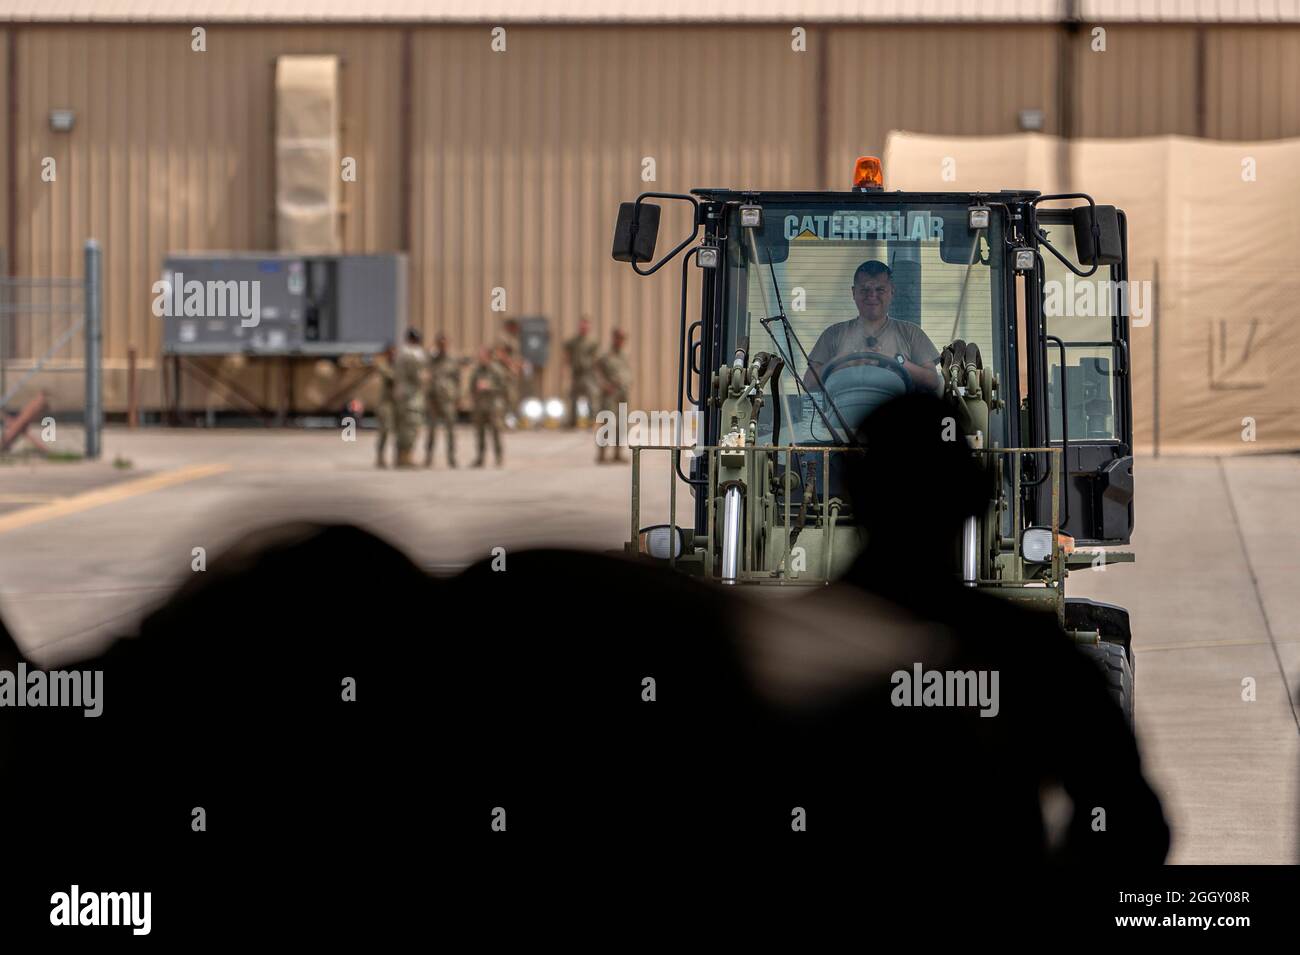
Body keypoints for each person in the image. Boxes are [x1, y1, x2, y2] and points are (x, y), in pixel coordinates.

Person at [802, 260, 941, 394]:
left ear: (892, 291)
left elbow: (932, 381)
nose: (872, 295)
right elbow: (808, 383)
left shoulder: (911, 333)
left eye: (880, 290)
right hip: (843, 415)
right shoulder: (833, 334)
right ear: (853, 292)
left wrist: (897, 360)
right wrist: (842, 361)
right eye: (865, 290)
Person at [424, 333, 462, 468]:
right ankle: (428, 457)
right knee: (431, 430)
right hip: (433, 399)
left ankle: (451, 458)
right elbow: (425, 375)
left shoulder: (452, 361)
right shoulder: (431, 360)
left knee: (450, 430)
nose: (442, 346)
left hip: (448, 400)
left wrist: (458, 398)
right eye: (440, 344)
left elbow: (458, 381)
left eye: (444, 344)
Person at [393, 328, 429, 468]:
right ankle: (406, 458)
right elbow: (418, 376)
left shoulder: (401, 354)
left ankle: (400, 457)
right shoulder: (412, 355)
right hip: (411, 397)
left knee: (402, 427)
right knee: (411, 426)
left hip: (402, 395)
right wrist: (425, 377)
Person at [595, 328, 632, 464]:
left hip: (622, 393)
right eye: (619, 338)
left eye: (623, 339)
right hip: (610, 393)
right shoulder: (605, 355)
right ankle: (602, 454)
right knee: (607, 423)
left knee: (622, 424)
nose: (621, 341)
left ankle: (618, 453)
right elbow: (596, 373)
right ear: (614, 338)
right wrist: (604, 385)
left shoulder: (624, 355)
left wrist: (628, 382)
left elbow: (627, 371)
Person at [470, 346, 506, 468]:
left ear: (489, 357)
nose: (480, 358)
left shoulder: (497, 370)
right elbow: (472, 386)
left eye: (483, 356)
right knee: (480, 433)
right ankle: (480, 458)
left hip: (493, 406)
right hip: (480, 406)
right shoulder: (477, 370)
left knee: (495, 432)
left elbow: (504, 387)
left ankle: (498, 457)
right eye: (479, 356)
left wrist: (490, 386)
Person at [562, 316, 600, 428]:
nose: (584, 328)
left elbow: (596, 358)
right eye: (582, 325)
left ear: (589, 328)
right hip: (576, 373)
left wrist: (597, 374)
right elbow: (567, 355)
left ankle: (592, 421)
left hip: (588, 373)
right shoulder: (573, 341)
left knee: (591, 397)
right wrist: (565, 369)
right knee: (573, 397)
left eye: (586, 326)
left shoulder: (592, 342)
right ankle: (573, 422)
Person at [373, 343, 397, 469]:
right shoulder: (383, 365)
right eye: (390, 352)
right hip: (385, 403)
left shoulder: (398, 365)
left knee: (398, 431)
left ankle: (399, 457)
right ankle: (380, 456)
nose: (393, 355)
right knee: (385, 430)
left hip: (397, 402)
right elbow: (391, 376)